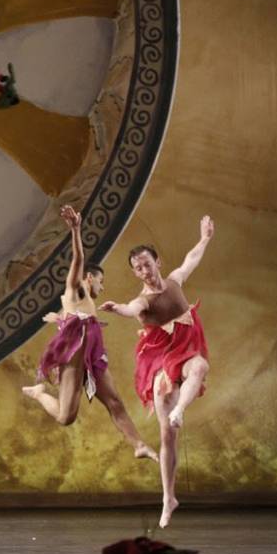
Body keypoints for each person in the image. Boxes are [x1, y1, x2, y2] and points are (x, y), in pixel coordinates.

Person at [100, 215, 214, 528]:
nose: (144, 272)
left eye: (147, 264)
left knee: (200, 366)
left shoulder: (175, 281)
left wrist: (204, 238)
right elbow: (131, 308)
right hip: (161, 362)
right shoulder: (143, 300)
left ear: (157, 262)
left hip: (187, 352)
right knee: (167, 435)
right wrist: (118, 310)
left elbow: (191, 260)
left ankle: (180, 409)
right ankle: (168, 498)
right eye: (138, 268)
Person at [21, 205, 156, 461]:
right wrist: (76, 230)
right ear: (90, 278)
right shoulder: (76, 291)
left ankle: (138, 444)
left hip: (92, 357)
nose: (103, 287)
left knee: (114, 402)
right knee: (65, 417)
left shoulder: (86, 304)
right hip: (73, 356)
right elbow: (78, 261)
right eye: (101, 281)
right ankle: (39, 393)